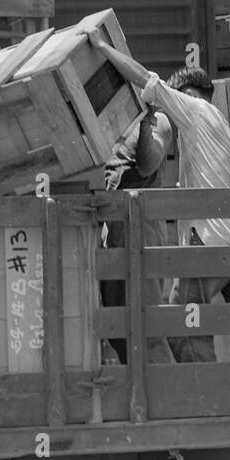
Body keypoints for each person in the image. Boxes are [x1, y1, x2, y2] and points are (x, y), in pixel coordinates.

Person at [87, 32, 230, 363]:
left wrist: (101, 47)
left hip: (211, 245)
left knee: (183, 322)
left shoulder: (193, 109)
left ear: (189, 93)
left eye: (172, 98)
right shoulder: (219, 128)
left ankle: (197, 400)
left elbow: (145, 79)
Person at [100, 104, 179, 366]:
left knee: (145, 327)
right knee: (117, 328)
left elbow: (147, 165)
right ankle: (138, 399)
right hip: (114, 228)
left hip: (142, 229)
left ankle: (169, 399)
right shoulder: (112, 121)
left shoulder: (160, 121)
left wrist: (146, 122)